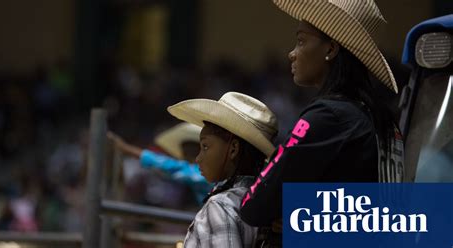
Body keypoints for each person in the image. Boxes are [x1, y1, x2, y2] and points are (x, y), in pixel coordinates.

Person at [240, 0, 405, 245]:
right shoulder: (383, 120)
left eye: (301, 41)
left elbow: (254, 205)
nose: (292, 53)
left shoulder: (328, 117)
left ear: (331, 49)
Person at [167, 91, 278, 247]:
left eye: (205, 147)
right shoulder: (266, 201)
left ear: (233, 149)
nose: (198, 158)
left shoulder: (221, 206)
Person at [108, 123, 212, 204]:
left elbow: (173, 167)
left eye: (189, 152)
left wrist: (126, 148)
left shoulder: (206, 174)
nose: (185, 157)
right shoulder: (203, 173)